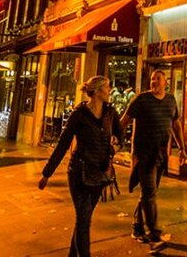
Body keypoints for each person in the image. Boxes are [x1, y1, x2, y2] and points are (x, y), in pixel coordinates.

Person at [39, 76, 122, 257]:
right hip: (79, 172)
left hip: (99, 174)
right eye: (107, 87)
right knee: (83, 221)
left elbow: (120, 137)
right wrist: (47, 173)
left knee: (83, 222)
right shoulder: (79, 114)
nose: (110, 91)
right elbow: (63, 143)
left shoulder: (110, 113)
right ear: (98, 91)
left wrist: (114, 147)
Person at [120, 69, 187, 252]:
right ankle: (154, 236)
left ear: (165, 82)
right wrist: (114, 140)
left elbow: (176, 125)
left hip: (160, 155)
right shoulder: (141, 100)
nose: (154, 82)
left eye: (158, 79)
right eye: (152, 79)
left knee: (149, 193)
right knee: (149, 193)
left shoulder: (171, 100)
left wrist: (182, 148)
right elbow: (123, 121)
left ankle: (137, 227)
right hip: (143, 154)